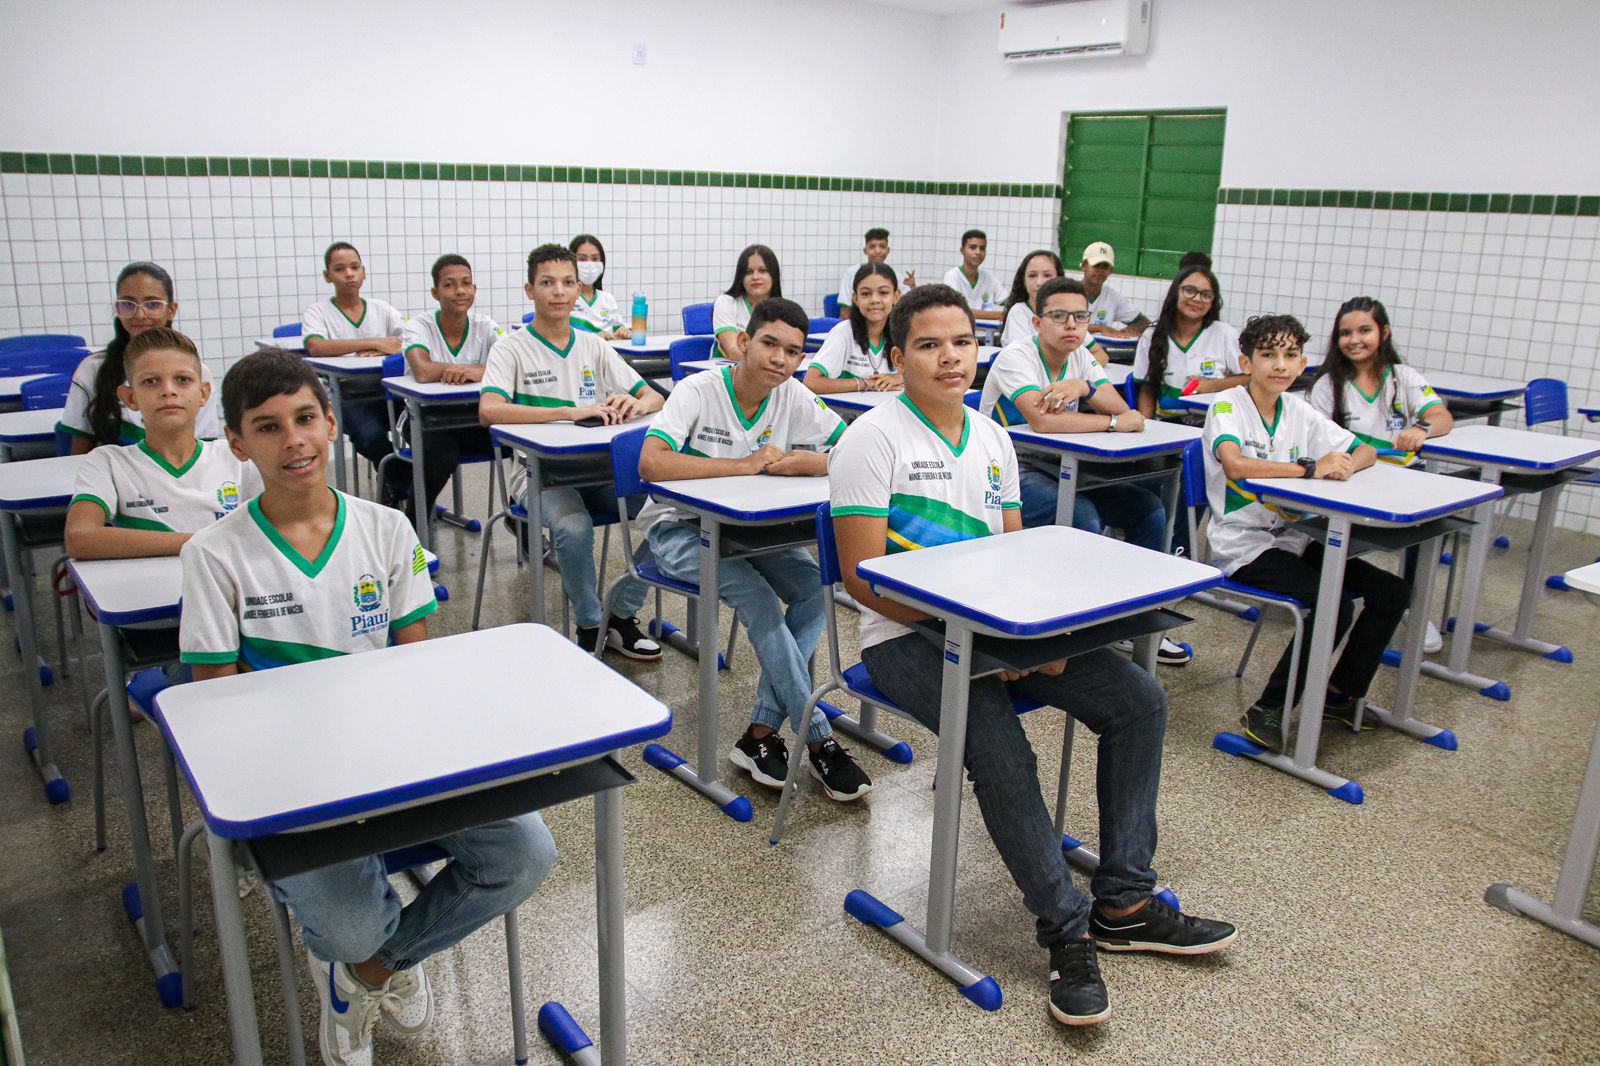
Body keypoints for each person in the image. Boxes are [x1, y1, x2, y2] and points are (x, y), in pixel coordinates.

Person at [831, 284, 1237, 1029]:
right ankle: (1067, 930)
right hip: (904, 637)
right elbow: (863, 580)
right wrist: (987, 635)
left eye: (961, 342)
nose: (949, 358)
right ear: (898, 356)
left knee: (1139, 701)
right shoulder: (871, 440)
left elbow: (1016, 552)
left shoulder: (992, 437)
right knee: (999, 747)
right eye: (928, 345)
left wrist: (1027, 634)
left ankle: (1124, 902)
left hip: (998, 627)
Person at [179, 348, 557, 1066]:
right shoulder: (214, 554)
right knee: (352, 926)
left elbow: (414, 669)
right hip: (292, 782)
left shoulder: (386, 529)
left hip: (391, 758)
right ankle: (366, 954)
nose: (293, 440)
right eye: (268, 427)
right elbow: (217, 709)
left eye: (305, 419)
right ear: (236, 442)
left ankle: (369, 974)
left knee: (526, 855)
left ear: (330, 423)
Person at [638, 297, 871, 800]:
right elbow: (652, 463)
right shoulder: (698, 389)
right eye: (769, 344)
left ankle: (761, 732)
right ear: (743, 342)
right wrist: (742, 465)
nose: (779, 359)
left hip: (748, 532)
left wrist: (808, 462)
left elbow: (854, 448)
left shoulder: (792, 393)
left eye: (793, 351)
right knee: (759, 598)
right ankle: (819, 738)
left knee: (815, 589)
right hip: (679, 530)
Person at [1202, 314, 1406, 752]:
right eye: (1268, 355)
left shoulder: (1299, 410)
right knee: (1333, 605)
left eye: (1290, 355)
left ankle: (1338, 694)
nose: (1280, 364)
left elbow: (1364, 450)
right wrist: (1311, 468)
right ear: (1246, 362)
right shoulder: (1227, 405)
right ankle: (1269, 708)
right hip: (1243, 545)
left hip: (1293, 539)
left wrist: (1346, 464)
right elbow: (1235, 464)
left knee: (1392, 592)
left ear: (1302, 363)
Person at [979, 277, 1190, 667]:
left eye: (1080, 316)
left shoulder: (1080, 357)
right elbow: (1044, 422)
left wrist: (1084, 388)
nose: (1072, 325)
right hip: (1008, 470)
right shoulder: (1015, 357)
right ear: (1038, 322)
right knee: (1083, 517)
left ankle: (1130, 621)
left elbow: (1122, 408)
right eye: (1060, 316)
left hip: (1065, 464)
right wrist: (1112, 424)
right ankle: (1074, 626)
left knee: (1149, 511)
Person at [479, 244, 664, 660]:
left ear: (579, 290)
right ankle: (590, 623)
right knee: (574, 526)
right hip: (538, 475)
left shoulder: (592, 344)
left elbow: (654, 396)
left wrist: (637, 404)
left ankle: (620, 611)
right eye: (547, 282)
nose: (559, 291)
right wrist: (568, 412)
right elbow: (489, 410)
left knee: (670, 510)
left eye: (568, 283)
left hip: (597, 471)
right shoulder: (511, 347)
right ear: (530, 290)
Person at [1310, 296, 1453, 653]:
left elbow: (1441, 416)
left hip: (1401, 483)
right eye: (1345, 333)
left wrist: (1421, 428)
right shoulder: (1328, 386)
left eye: (1364, 330)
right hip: (1353, 483)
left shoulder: (1403, 378)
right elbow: (1318, 444)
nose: (1354, 340)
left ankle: (1415, 608)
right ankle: (1328, 596)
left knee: (1430, 526)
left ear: (1384, 332)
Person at [65, 326, 258, 561]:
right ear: (130, 398)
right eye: (151, 381)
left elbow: (285, 525)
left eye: (183, 380)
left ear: (203, 394)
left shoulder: (238, 456)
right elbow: (80, 538)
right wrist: (204, 543)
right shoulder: (108, 462)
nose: (168, 390)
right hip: (147, 584)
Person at [59, 261, 220, 452]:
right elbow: (79, 450)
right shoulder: (93, 369)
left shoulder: (197, 372)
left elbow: (205, 450)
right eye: (128, 304)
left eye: (152, 304)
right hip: (113, 470)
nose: (140, 314)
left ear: (171, 310)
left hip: (178, 471)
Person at [300, 242, 408, 505]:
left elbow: (408, 340)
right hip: (345, 396)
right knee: (370, 437)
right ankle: (404, 485)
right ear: (328, 276)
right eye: (340, 269)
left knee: (424, 427)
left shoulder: (382, 309)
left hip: (387, 391)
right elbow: (316, 346)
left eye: (355, 267)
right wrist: (374, 342)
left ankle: (408, 487)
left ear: (364, 272)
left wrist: (388, 346)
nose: (349, 274)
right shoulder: (318, 312)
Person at [397, 254, 502, 522]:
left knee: (519, 443)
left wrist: (476, 370)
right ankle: (413, 524)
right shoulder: (420, 325)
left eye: (466, 283)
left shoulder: (485, 326)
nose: (460, 291)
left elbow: (511, 366)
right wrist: (475, 369)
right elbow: (423, 371)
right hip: (424, 419)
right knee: (442, 453)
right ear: (435, 292)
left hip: (473, 417)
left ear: (474, 289)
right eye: (449, 284)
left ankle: (519, 519)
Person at [1132, 256, 1246, 417]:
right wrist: (1146, 425)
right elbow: (1146, 389)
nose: (1197, 299)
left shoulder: (1224, 333)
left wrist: (1211, 385)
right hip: (1167, 423)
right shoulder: (1151, 335)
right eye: (1190, 290)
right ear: (1175, 292)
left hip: (1212, 422)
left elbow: (1250, 379)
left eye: (1206, 295)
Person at [804, 263, 901, 395]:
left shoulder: (903, 333)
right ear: (855, 298)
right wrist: (866, 383)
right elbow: (811, 382)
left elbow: (924, 374)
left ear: (896, 296)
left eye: (883, 293)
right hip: (850, 409)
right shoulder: (843, 333)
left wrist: (899, 378)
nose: (875, 300)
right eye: (865, 294)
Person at [712, 244, 782, 360]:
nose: (755, 277)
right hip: (731, 369)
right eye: (748, 272)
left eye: (762, 270)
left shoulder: (783, 310)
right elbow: (733, 351)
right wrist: (768, 363)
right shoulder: (726, 303)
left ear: (773, 275)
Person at [837, 227, 913, 318]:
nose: (877, 251)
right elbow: (845, 312)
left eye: (882, 246)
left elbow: (909, 308)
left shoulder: (896, 276)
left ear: (888, 250)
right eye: (872, 247)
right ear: (865, 250)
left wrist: (913, 288)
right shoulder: (852, 273)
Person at [1079, 242, 1150, 339]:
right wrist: (1101, 328)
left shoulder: (1112, 296)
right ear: (1084, 266)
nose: (1100, 270)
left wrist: (1126, 331)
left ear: (1111, 270)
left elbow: (1145, 322)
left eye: (1105, 266)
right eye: (1096, 265)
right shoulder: (1069, 292)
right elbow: (1064, 326)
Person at [999, 249, 1065, 349]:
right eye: (1032, 275)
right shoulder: (1019, 312)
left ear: (1059, 279)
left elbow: (1091, 348)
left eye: (1047, 275)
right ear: (1024, 281)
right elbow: (1024, 354)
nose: (1039, 282)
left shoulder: (1067, 312)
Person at [568, 234, 630, 339]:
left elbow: (618, 330)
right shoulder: (564, 299)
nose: (589, 264)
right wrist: (595, 338)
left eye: (595, 259)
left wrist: (624, 333)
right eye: (582, 259)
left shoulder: (608, 299)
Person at [941, 229, 1005, 321]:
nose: (978, 252)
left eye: (982, 248)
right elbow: (958, 310)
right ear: (962, 251)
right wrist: (999, 315)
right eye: (972, 247)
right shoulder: (952, 276)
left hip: (988, 330)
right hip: (961, 329)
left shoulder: (989, 278)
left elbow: (1008, 301)